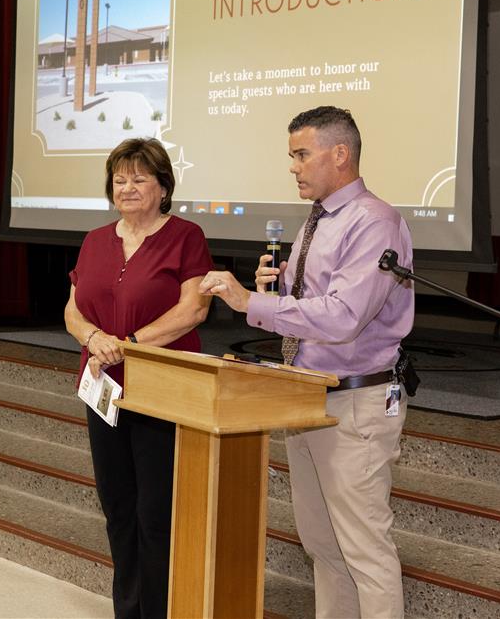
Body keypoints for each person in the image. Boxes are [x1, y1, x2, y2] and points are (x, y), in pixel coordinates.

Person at [199, 106, 414, 618]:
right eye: (291, 156)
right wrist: (274, 290)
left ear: (340, 154)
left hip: (355, 400)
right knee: (323, 546)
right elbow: (313, 304)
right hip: (309, 396)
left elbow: (343, 317)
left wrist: (252, 301)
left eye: (301, 154)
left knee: (365, 552)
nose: (293, 166)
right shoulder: (319, 220)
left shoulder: (374, 221)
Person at [65, 137, 213, 618]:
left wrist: (126, 342)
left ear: (163, 186)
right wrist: (94, 338)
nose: (127, 187)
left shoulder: (186, 236)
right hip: (103, 389)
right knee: (118, 507)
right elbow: (72, 310)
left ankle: (162, 611)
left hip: (161, 391)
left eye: (139, 178)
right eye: (119, 179)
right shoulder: (94, 240)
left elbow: (194, 309)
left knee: (157, 513)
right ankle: (127, 610)